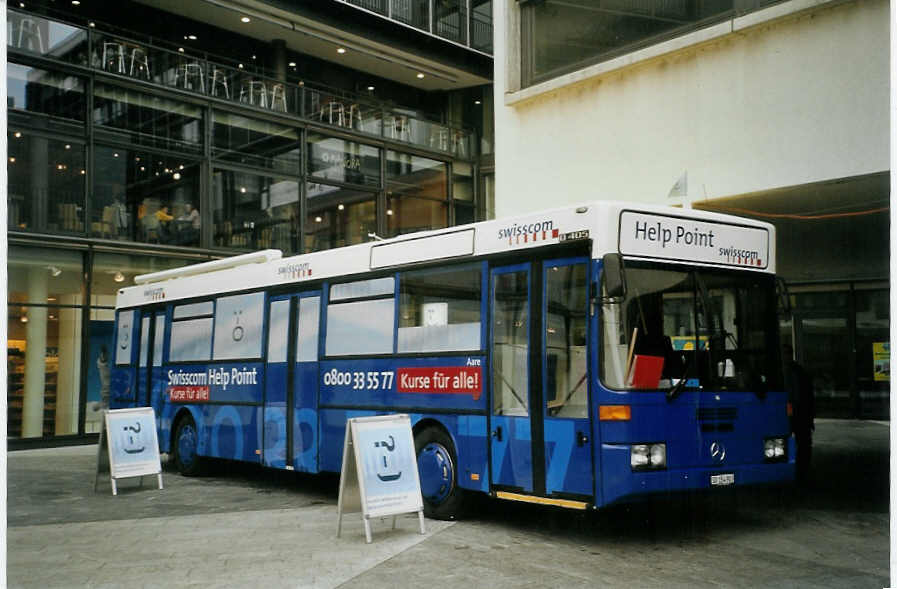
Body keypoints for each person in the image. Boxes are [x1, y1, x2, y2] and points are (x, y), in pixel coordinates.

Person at [783, 344, 815, 485]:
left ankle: (799, 472)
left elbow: (795, 398)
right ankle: (800, 472)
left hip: (797, 414)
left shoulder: (790, 372)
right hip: (799, 414)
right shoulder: (798, 371)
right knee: (802, 444)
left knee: (801, 444)